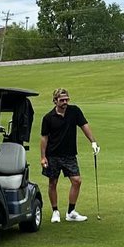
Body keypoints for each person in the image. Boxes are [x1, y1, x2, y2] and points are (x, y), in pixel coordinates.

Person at [39, 88, 99, 223]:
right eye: (62, 100)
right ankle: (55, 211)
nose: (65, 102)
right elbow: (44, 138)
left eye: (67, 99)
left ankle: (71, 212)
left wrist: (93, 142)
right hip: (53, 154)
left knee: (77, 181)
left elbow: (84, 126)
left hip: (69, 155)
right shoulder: (48, 118)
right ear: (55, 101)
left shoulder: (74, 111)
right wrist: (43, 157)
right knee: (52, 182)